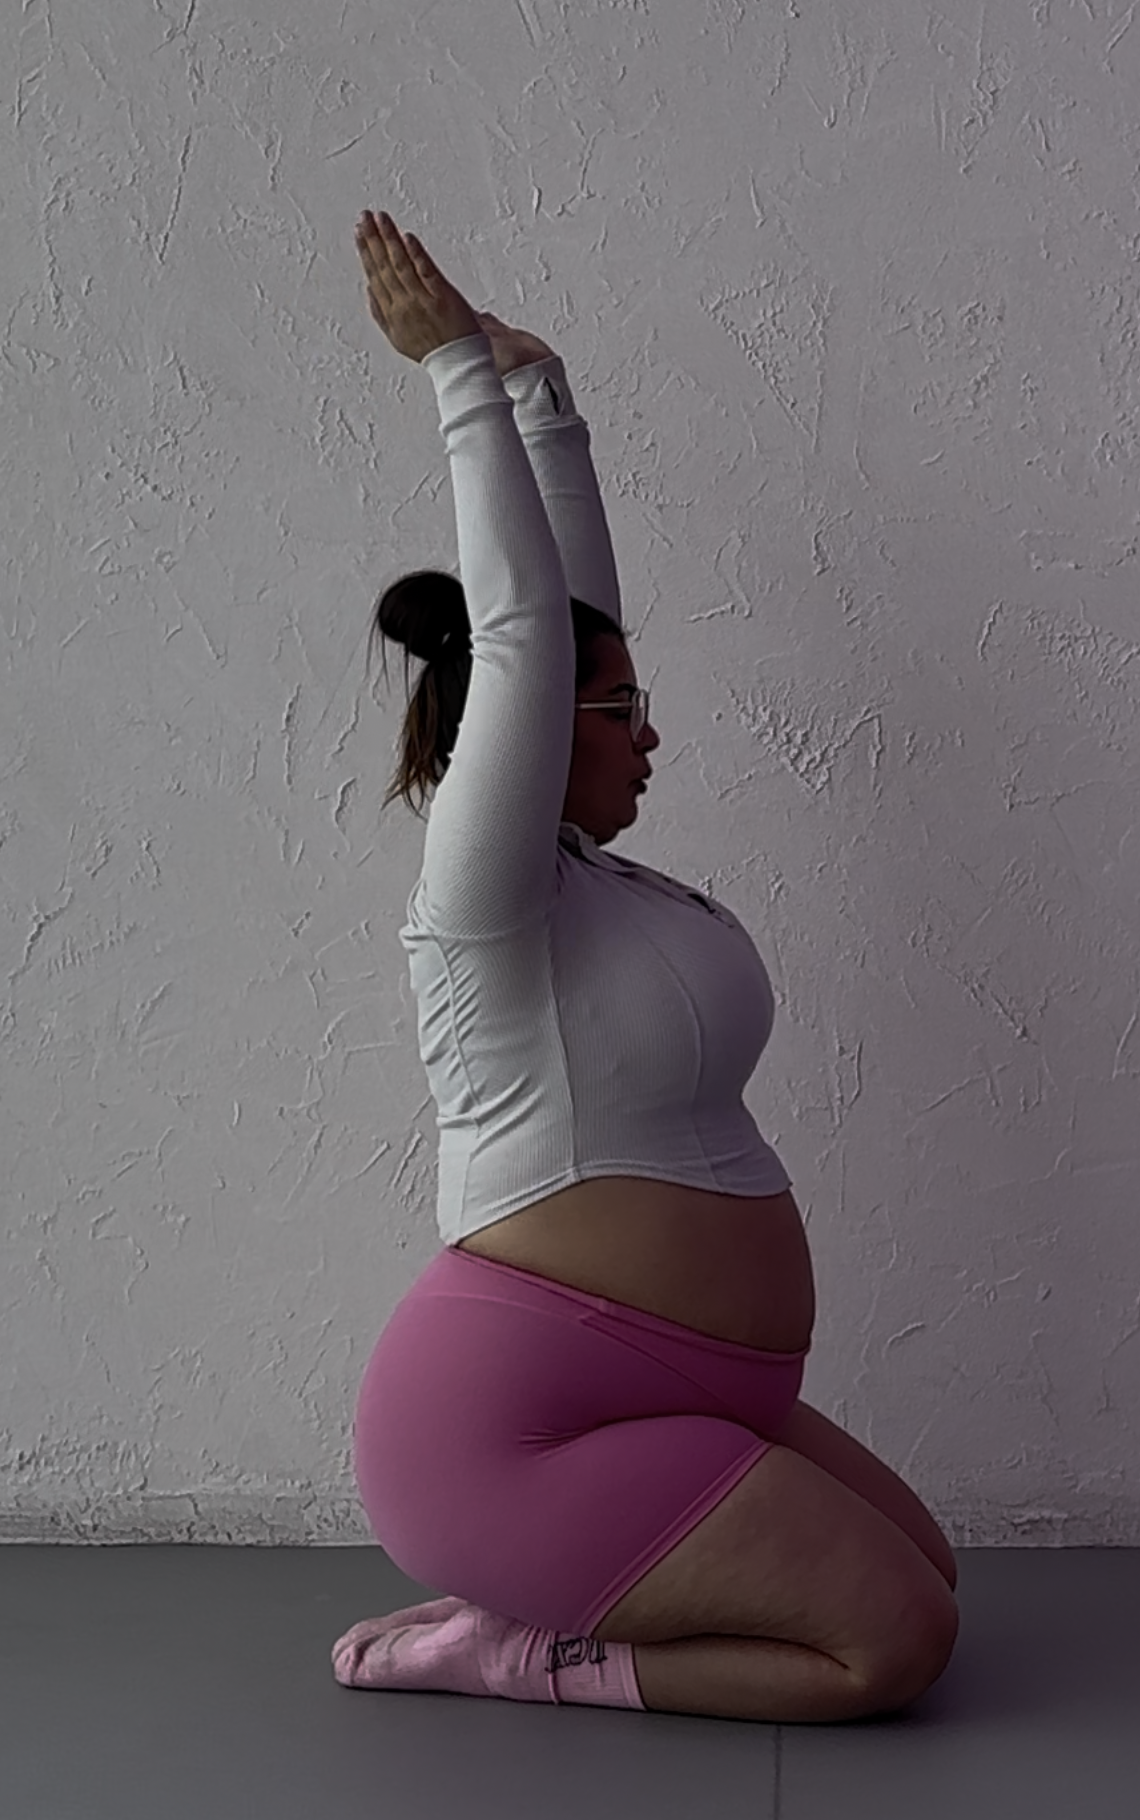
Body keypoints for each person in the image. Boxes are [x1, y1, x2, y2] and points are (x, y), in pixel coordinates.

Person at [332, 209, 959, 1723]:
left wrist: (549, 407)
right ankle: (521, 1652)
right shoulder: (483, 910)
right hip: (511, 1432)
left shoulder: (605, 886)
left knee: (929, 1575)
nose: (646, 724)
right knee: (889, 1650)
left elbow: (572, 627)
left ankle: (547, 1597)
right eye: (619, 708)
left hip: (676, 1396)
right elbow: (532, 637)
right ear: (539, 732)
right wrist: (459, 382)